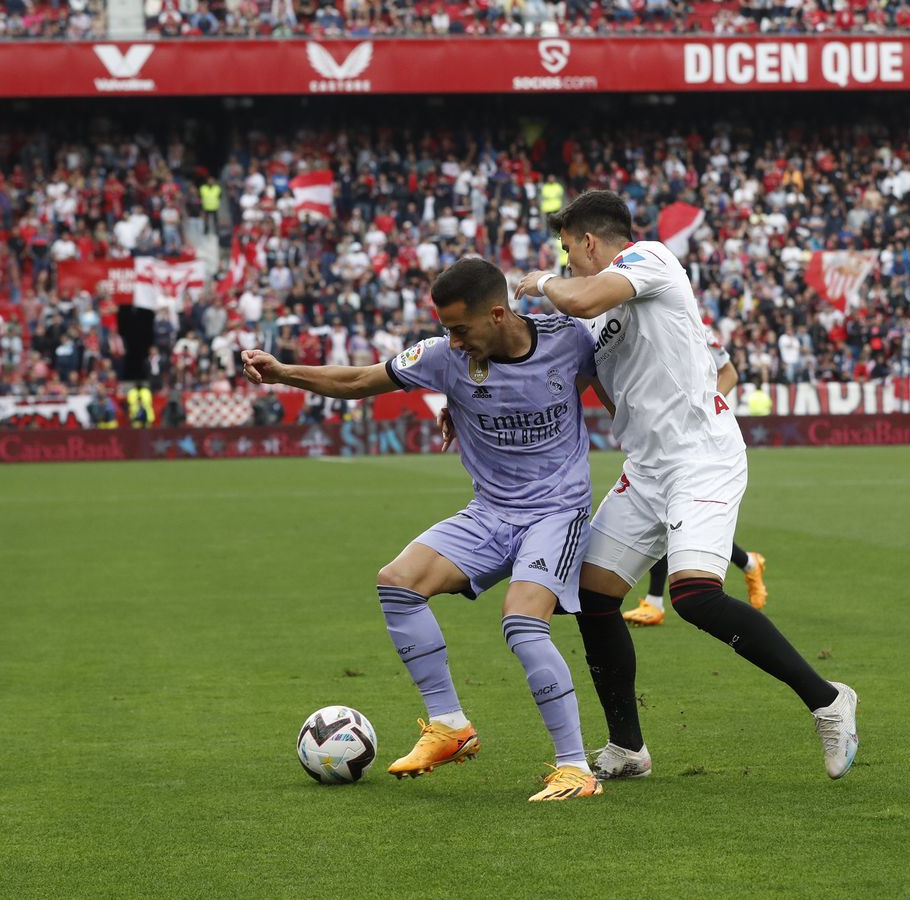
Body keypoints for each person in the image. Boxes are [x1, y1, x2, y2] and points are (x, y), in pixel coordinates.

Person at [518, 191, 858, 782]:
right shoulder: (595, 318)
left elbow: (579, 292)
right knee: (594, 597)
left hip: (702, 457)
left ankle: (829, 701)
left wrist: (542, 281)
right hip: (647, 467)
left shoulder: (649, 259)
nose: (567, 259)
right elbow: (593, 383)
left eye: (568, 247)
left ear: (590, 241)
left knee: (695, 595)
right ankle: (628, 747)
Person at [242, 256, 604, 802]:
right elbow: (362, 379)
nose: (452, 342)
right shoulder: (444, 357)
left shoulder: (570, 339)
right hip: (491, 512)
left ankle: (576, 767)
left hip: (557, 512)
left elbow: (624, 379)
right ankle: (451, 726)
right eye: (446, 330)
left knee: (522, 622)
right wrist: (283, 372)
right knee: (399, 582)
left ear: (500, 314)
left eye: (461, 328)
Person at [626, 338, 766, 624]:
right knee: (672, 523)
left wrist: (702, 411)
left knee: (674, 523)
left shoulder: (694, 326)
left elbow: (729, 372)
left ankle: (654, 602)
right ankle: (749, 562)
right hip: (658, 442)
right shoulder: (642, 326)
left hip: (696, 448)